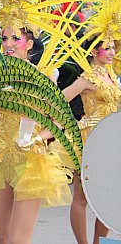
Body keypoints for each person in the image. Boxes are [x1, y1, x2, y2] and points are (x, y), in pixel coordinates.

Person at [0, 27, 72, 244]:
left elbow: (57, 121)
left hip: (31, 162)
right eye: (4, 38)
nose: (8, 44)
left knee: (19, 240)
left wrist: (37, 138)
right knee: (2, 238)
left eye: (15, 38)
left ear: (29, 44)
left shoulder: (42, 78)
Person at [63, 37, 121, 244]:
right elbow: (61, 98)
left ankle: (99, 242)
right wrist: (80, 121)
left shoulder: (112, 76)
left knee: (108, 196)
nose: (113, 52)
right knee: (82, 197)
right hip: (90, 142)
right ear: (94, 52)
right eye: (107, 48)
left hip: (112, 141)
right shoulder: (87, 78)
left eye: (113, 47)